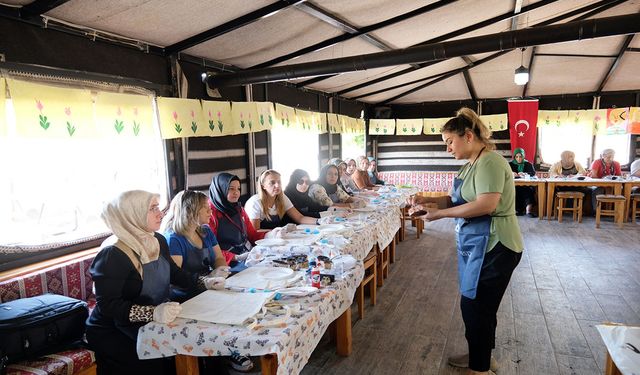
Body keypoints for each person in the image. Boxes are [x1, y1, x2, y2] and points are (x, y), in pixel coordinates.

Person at [408, 108, 523, 375]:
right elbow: (457, 200)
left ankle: (479, 369)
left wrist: (441, 214)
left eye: (449, 141)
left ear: (468, 135)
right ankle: (480, 358)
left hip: (497, 245)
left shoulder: (490, 162)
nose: (448, 148)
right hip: (479, 245)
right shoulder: (472, 164)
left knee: (476, 306)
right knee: (477, 304)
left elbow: (486, 204)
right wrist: (428, 201)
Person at [86, 190, 223, 375]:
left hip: (149, 320)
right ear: (133, 214)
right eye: (152, 209)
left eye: (158, 207)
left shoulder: (157, 239)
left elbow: (173, 273)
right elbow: (109, 305)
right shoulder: (112, 253)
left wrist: (204, 282)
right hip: (115, 331)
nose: (160, 213)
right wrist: (152, 313)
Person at [161, 190, 229, 302]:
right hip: (186, 295)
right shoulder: (173, 239)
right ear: (189, 211)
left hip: (209, 286)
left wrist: (222, 271)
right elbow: (175, 277)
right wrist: (208, 279)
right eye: (205, 207)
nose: (210, 211)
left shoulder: (206, 231)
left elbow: (219, 258)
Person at [208, 173, 266, 271]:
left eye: (238, 189)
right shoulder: (210, 213)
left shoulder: (238, 209)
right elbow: (210, 250)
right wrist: (235, 257)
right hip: (227, 262)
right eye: (231, 189)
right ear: (220, 189)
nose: (236, 192)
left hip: (247, 254)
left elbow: (252, 235)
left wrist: (272, 234)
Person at [245, 169, 319, 230]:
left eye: (279, 182)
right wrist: (278, 231)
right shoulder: (255, 203)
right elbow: (254, 231)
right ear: (263, 186)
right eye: (272, 183)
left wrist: (319, 221)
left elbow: (300, 218)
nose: (277, 185)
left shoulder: (282, 197)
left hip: (275, 237)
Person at [509, 148, 536, 217]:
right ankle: (517, 210)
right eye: (516, 157)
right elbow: (506, 172)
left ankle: (528, 211)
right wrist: (511, 173)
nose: (518, 158)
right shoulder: (510, 164)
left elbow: (533, 173)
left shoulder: (528, 164)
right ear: (514, 157)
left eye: (520, 156)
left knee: (529, 190)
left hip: (526, 185)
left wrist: (525, 174)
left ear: (523, 156)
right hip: (514, 185)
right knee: (514, 191)